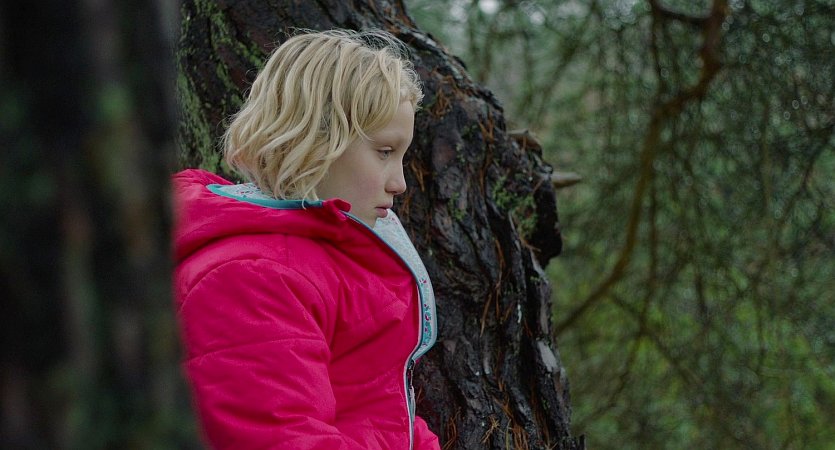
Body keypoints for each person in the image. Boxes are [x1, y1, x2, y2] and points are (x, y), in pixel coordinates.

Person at [172, 29, 439, 449]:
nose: (400, 183)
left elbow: (385, 413)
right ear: (316, 140)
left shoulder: (324, 261)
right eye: (385, 152)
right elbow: (278, 436)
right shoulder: (252, 277)